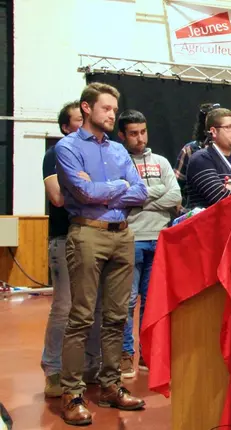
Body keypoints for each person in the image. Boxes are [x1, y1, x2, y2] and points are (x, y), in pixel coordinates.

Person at [56, 82, 148, 425]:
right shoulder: (67, 147)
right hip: (87, 234)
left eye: (113, 109)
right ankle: (72, 393)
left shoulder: (119, 150)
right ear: (86, 108)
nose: (112, 114)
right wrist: (119, 186)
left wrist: (109, 190)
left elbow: (141, 192)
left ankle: (110, 386)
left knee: (117, 317)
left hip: (122, 235)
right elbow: (81, 190)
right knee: (80, 318)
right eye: (106, 108)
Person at [41, 101, 103, 397]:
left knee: (92, 308)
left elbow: (117, 189)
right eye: (80, 119)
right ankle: (53, 370)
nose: (86, 122)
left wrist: (93, 187)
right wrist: (89, 187)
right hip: (65, 238)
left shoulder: (100, 153)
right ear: (66, 127)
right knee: (65, 307)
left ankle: (90, 366)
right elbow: (58, 198)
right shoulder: (54, 154)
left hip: (94, 237)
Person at [118, 109, 181, 378]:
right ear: (122, 135)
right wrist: (155, 194)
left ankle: (147, 354)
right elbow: (121, 198)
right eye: (133, 133)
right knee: (127, 301)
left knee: (152, 302)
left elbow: (176, 195)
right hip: (131, 239)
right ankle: (125, 354)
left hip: (160, 239)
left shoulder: (162, 162)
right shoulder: (118, 161)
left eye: (142, 132)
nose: (140, 138)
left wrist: (141, 198)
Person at [174, 103, 231, 210]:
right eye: (228, 127)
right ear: (211, 129)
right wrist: (185, 214)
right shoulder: (191, 150)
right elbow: (176, 189)